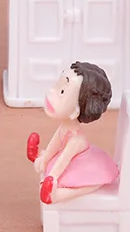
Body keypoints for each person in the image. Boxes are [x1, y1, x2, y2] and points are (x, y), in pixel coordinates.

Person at [27, 62, 118, 204]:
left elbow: (64, 160)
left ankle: (56, 195)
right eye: (58, 86)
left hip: (85, 165)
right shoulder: (64, 128)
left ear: (75, 111)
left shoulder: (77, 140)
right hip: (70, 160)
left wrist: (52, 177)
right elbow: (55, 143)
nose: (51, 92)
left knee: (90, 184)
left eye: (62, 92)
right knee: (51, 158)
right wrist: (44, 160)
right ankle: (41, 156)